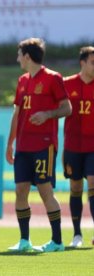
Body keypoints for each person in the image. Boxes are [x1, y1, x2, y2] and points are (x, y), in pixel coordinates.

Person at [6, 37, 72, 252]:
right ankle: (25, 241)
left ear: (27, 56)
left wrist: (48, 114)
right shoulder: (22, 80)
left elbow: (67, 108)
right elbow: (17, 114)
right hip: (23, 146)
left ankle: (57, 241)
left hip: (44, 145)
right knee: (20, 190)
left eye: (18, 55)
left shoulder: (53, 78)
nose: (17, 59)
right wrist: (10, 143)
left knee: (45, 190)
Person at [63, 46, 94, 247]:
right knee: (75, 187)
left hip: (93, 146)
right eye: (93, 62)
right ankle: (77, 234)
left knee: (93, 183)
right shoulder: (66, 84)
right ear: (82, 62)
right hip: (72, 146)